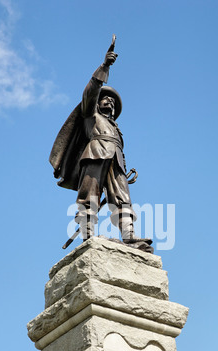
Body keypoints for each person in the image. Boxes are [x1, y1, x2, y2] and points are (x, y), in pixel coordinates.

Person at [49, 38, 152, 252]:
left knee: (122, 199)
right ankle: (88, 235)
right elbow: (91, 91)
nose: (110, 101)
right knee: (89, 196)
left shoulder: (116, 128)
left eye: (112, 101)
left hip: (116, 163)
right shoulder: (90, 115)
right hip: (95, 154)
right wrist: (104, 67)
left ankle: (130, 236)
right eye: (106, 99)